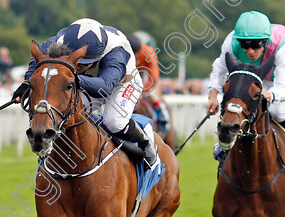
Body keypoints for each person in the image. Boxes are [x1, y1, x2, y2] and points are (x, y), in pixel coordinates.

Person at [13, 18, 158, 169]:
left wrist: (71, 78)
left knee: (113, 122)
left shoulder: (116, 51)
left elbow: (106, 86)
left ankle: (145, 142)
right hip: (84, 81)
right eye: (77, 64)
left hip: (122, 83)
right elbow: (38, 58)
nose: (79, 67)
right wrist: (26, 83)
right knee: (66, 114)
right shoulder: (60, 41)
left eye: (83, 64)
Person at [206, 10, 285, 168]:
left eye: (256, 45)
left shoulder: (283, 47)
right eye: (245, 45)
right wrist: (212, 96)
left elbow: (283, 89)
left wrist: (266, 95)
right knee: (235, 104)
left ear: (266, 40)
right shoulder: (231, 41)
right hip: (259, 76)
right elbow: (219, 69)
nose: (250, 51)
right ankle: (225, 146)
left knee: (279, 111)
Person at [128, 32, 171, 130]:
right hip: (132, 73)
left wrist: (144, 90)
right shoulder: (123, 52)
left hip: (146, 73)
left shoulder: (148, 52)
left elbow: (154, 75)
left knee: (152, 95)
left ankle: (163, 116)